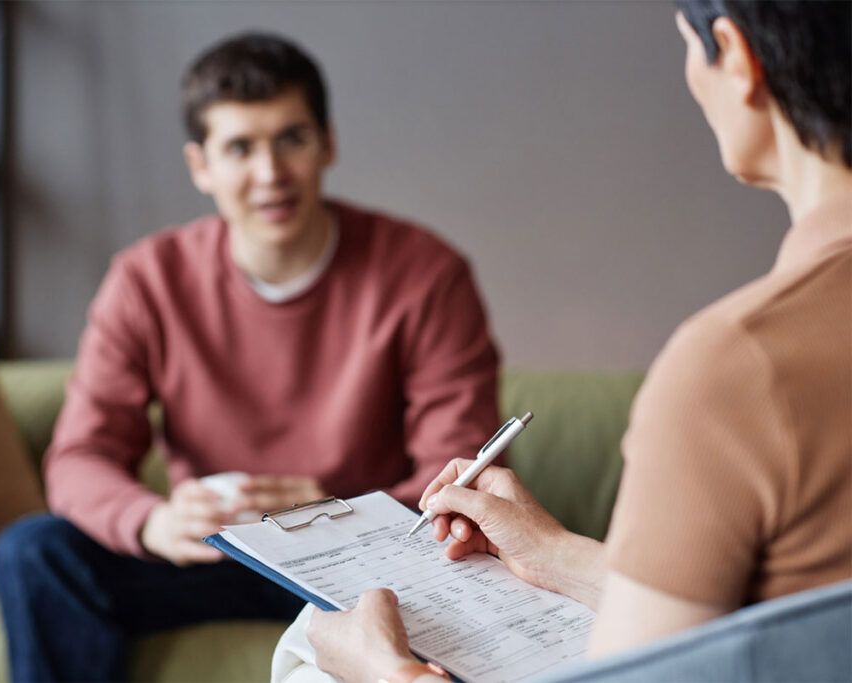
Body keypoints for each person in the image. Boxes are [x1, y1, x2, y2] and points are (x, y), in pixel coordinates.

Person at [301, 2, 852, 680]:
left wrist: (388, 673)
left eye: (687, 46)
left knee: (308, 653)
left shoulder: (739, 367)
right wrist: (554, 552)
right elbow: (773, 611)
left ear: (736, 58)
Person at [0, 32, 500, 682]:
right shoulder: (147, 279)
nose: (270, 173)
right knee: (32, 551)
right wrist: (152, 521)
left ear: (327, 144)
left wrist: (338, 513)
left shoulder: (425, 273)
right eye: (239, 148)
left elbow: (460, 473)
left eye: (291, 139)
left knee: (460, 568)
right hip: (207, 556)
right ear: (201, 165)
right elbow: (79, 457)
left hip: (362, 563)